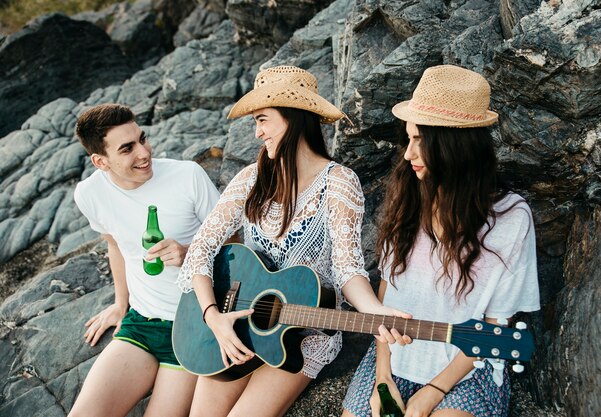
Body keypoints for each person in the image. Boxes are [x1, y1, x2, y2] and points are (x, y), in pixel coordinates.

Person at [177, 65, 408, 417]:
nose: (257, 133)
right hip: (235, 324)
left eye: (263, 120)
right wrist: (213, 317)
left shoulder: (339, 183)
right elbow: (202, 247)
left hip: (305, 333)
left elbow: (347, 270)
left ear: (294, 117)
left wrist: (375, 311)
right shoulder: (252, 179)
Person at [341, 65, 541, 417]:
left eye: (420, 141)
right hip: (394, 357)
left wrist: (432, 393)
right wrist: (382, 378)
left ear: (453, 147)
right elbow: (386, 299)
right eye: (409, 139)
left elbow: (496, 326)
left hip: (469, 366)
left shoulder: (510, 219)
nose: (408, 154)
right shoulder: (408, 198)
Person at [68, 103, 221, 417]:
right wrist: (119, 303)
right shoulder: (89, 194)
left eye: (143, 139)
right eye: (127, 149)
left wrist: (190, 252)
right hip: (141, 321)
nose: (144, 153)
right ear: (100, 161)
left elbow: (236, 241)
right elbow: (115, 244)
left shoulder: (187, 175)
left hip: (193, 325)